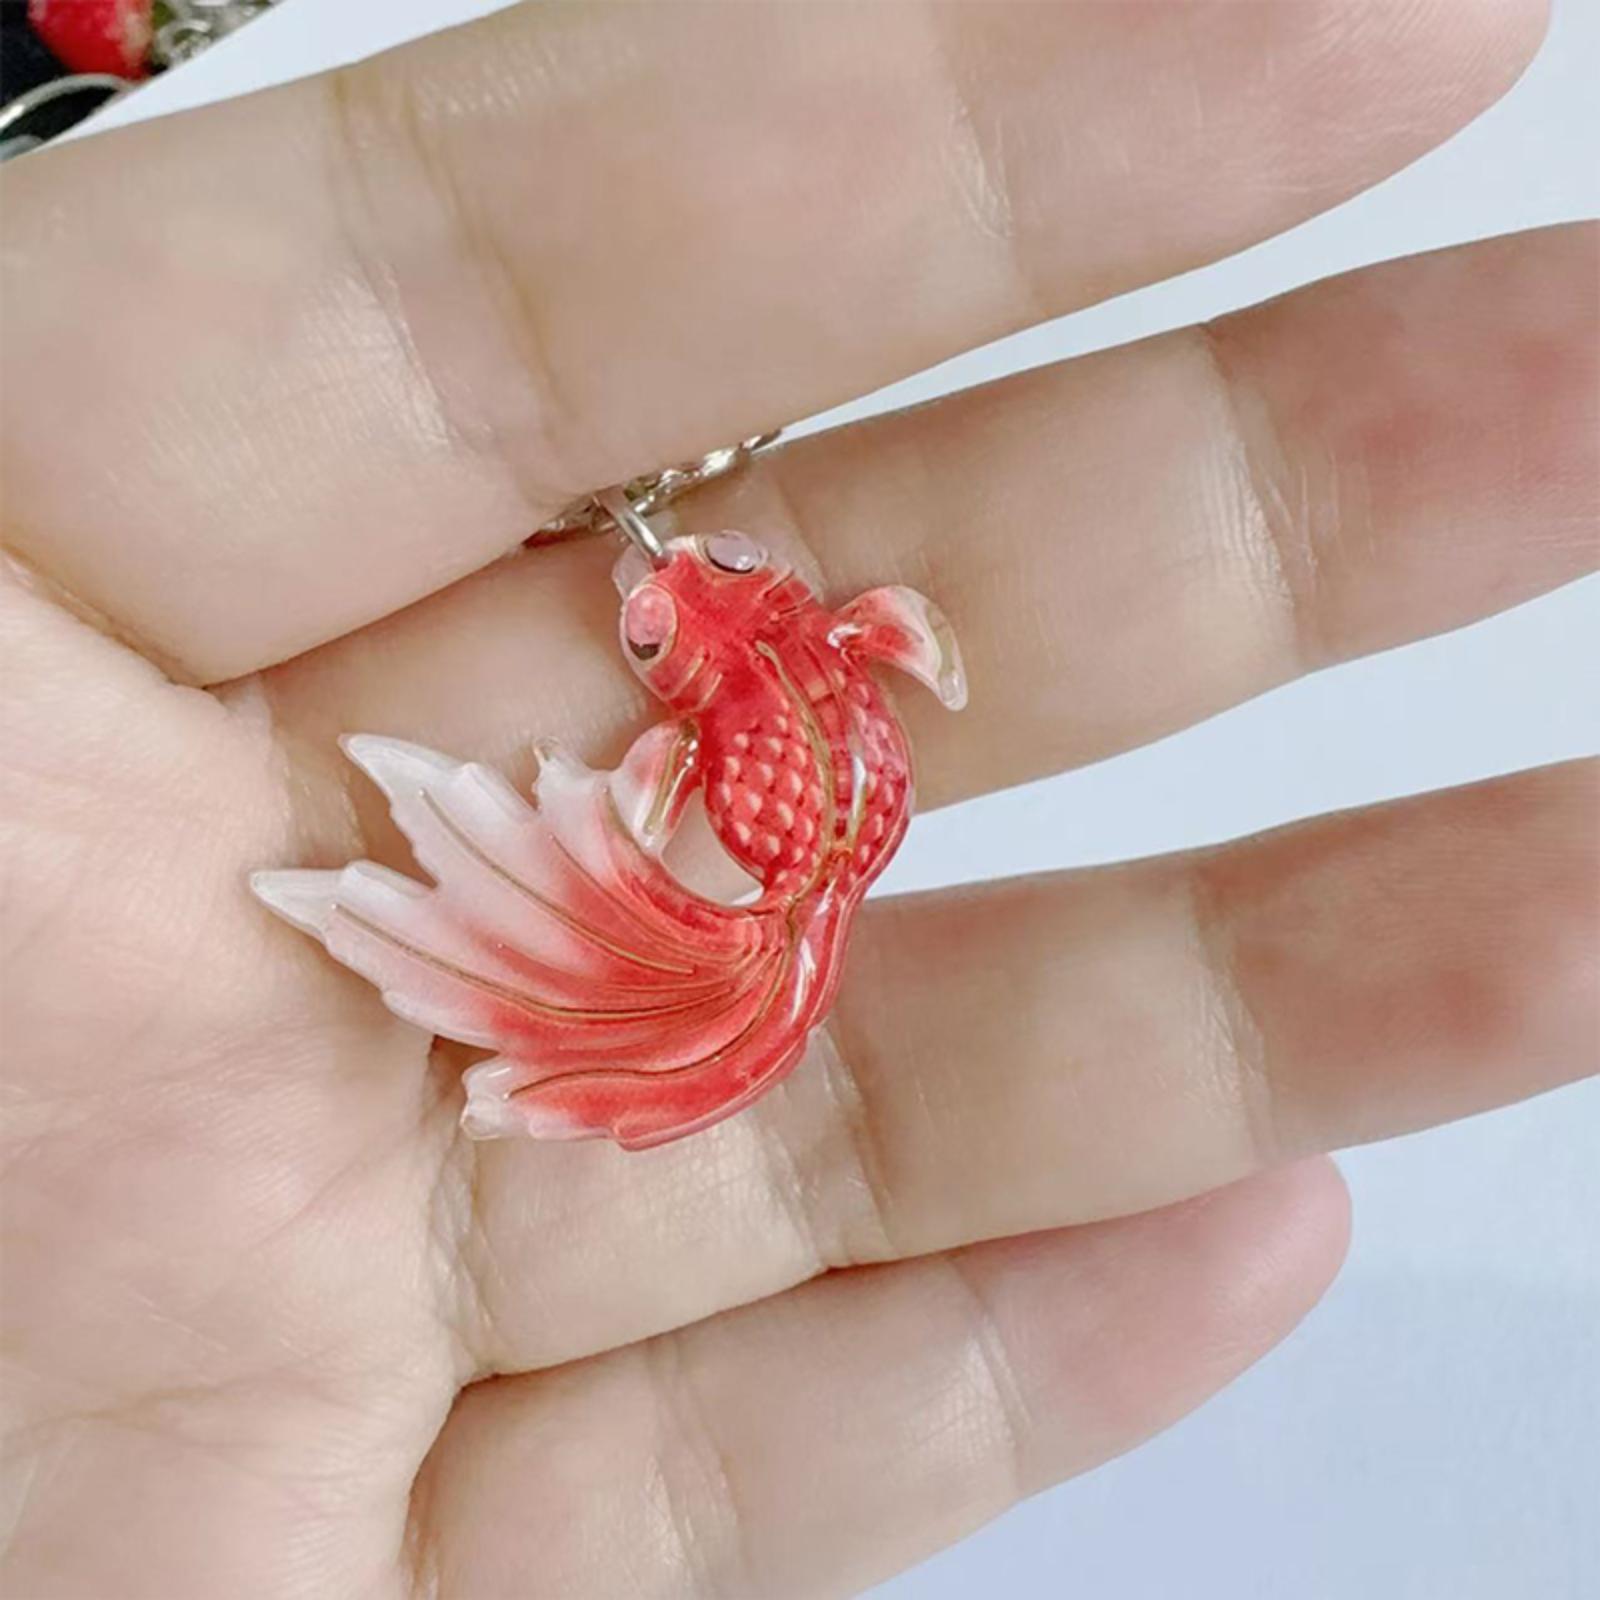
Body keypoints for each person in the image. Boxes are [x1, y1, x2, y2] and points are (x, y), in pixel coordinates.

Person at [1, 4, 1594, 1595]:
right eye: (662, 621)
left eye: (713, 572)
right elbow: (722, 738)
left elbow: (873, 653)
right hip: (803, 860)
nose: (692, 590)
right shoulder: (756, 680)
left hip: (819, 860)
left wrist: (821, 706)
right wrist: (664, 800)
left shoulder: (798, 644)